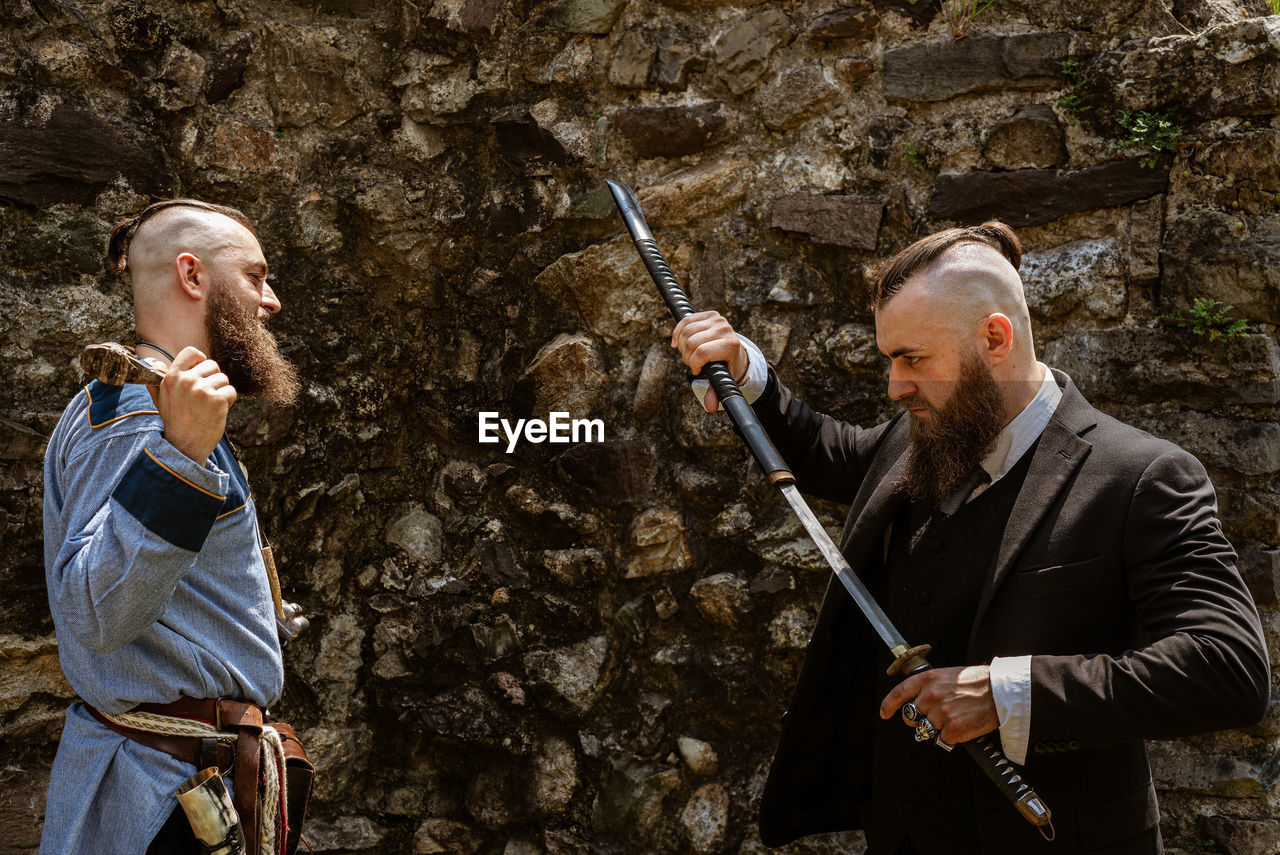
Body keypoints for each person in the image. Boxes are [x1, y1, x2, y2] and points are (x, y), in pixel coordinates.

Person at [670, 221, 1270, 855]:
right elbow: (828, 451)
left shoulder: (1140, 476)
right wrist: (745, 374)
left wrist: (1006, 694)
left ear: (994, 338)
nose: (895, 386)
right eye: (889, 359)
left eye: (913, 359)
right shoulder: (921, 436)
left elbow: (1226, 666)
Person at [41, 199, 307, 855]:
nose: (270, 300)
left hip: (189, 780)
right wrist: (179, 458)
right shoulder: (142, 415)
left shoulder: (161, 407)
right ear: (192, 275)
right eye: (255, 275)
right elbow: (96, 614)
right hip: (163, 797)